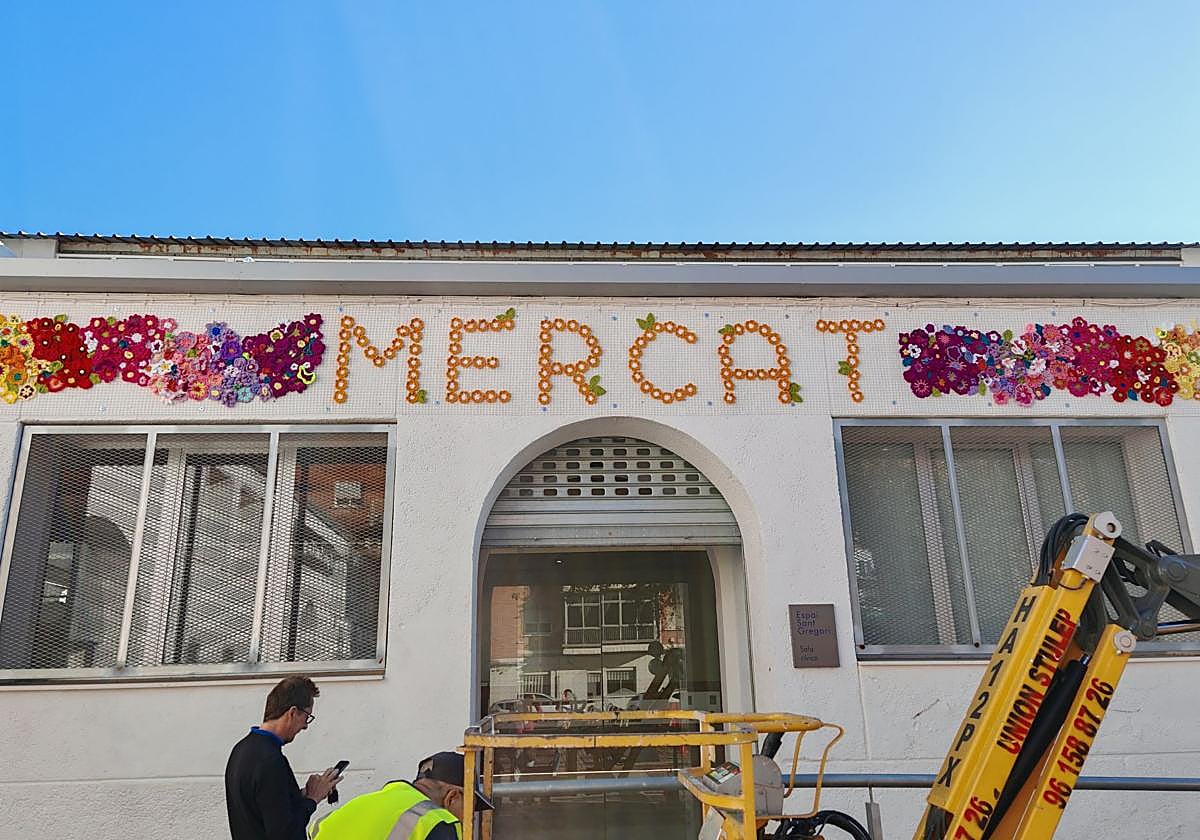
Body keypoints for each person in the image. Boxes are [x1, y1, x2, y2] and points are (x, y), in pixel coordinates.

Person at [226, 676, 342, 840]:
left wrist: (304, 794)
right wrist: (312, 799)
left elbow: (265, 809)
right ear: (293, 712)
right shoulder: (271, 760)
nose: (305, 726)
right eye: (307, 717)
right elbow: (285, 833)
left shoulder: (241, 750)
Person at [308, 751, 493, 840]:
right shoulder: (438, 823)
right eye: (470, 809)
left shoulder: (357, 806)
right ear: (453, 797)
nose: (469, 819)